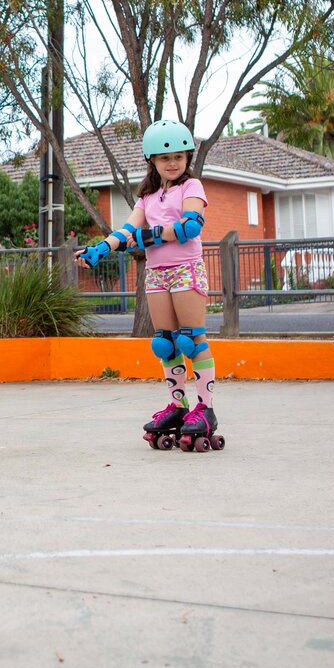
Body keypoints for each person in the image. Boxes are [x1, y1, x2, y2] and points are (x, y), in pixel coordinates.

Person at [76, 119, 222, 452]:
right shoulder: (147, 198)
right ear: (152, 161)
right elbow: (125, 231)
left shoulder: (192, 187)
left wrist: (145, 237)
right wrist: (100, 249)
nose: (173, 163)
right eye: (164, 158)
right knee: (165, 344)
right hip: (156, 273)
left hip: (185, 269)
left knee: (191, 338)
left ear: (187, 159)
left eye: (179, 157)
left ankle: (206, 407)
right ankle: (178, 404)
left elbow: (189, 226)